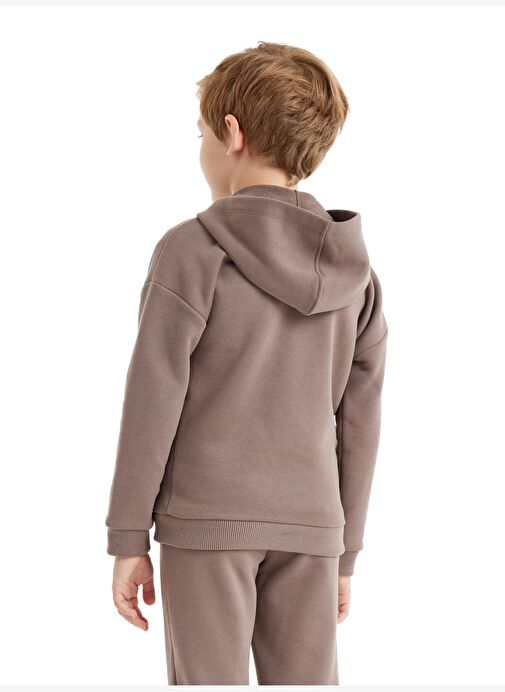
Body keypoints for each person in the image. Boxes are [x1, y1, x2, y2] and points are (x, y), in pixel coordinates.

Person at [105, 40, 388, 685]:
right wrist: (345, 553)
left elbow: (152, 398)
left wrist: (128, 538)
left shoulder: (192, 251)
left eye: (202, 133)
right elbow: (361, 423)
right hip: (313, 524)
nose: (202, 147)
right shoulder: (358, 275)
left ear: (231, 134)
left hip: (205, 521)